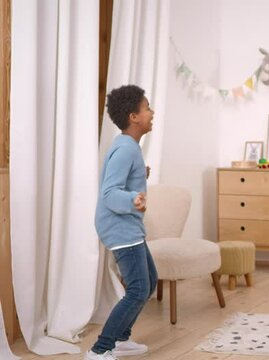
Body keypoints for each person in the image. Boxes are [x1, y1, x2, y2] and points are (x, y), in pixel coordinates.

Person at [86, 85, 157, 360]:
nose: (152, 112)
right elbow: (109, 193)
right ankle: (100, 349)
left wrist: (140, 174)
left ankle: (121, 340)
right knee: (139, 288)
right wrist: (133, 199)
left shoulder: (129, 147)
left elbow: (122, 179)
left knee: (148, 282)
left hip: (129, 227)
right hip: (120, 228)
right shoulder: (127, 149)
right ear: (133, 116)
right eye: (147, 107)